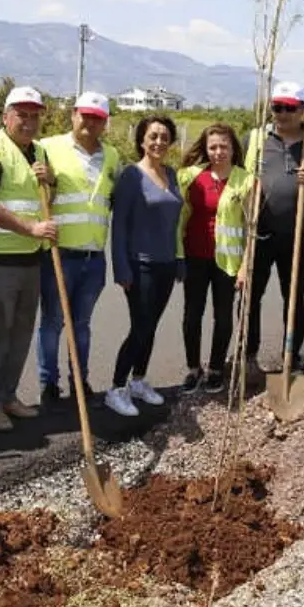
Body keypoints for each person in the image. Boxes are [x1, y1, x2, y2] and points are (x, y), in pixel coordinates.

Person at [0, 86, 58, 431]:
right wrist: (31, 229)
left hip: (29, 261)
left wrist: (51, 181)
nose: (29, 121)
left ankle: (8, 395)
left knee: (19, 334)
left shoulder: (39, 152)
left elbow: (47, 196)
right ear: (6, 116)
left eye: (35, 115)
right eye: (22, 114)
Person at [241, 81, 304, 382]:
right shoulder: (255, 138)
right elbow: (239, 179)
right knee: (249, 297)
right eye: (277, 107)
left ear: (302, 110)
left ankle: (290, 357)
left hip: (298, 233)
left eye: (289, 108)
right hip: (260, 232)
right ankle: (248, 355)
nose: (281, 113)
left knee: (292, 296)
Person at [37, 91, 119, 404]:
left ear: (105, 123)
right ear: (73, 114)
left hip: (93, 256)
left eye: (97, 118)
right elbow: (38, 196)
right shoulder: (47, 148)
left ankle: (79, 380)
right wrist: (50, 182)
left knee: (82, 325)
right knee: (53, 323)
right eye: (85, 115)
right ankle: (48, 384)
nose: (89, 122)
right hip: (59, 254)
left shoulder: (111, 156)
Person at [106, 115, 182, 416]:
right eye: (153, 136)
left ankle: (138, 381)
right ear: (142, 140)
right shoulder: (131, 176)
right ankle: (115, 388)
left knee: (151, 327)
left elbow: (174, 224)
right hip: (140, 266)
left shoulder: (172, 175)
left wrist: (178, 259)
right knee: (140, 327)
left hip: (165, 264)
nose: (159, 142)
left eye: (165, 137)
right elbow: (120, 226)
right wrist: (121, 268)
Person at [177, 123, 250, 395]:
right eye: (213, 147)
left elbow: (250, 229)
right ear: (206, 149)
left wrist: (244, 266)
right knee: (191, 315)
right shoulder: (190, 177)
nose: (218, 152)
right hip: (194, 256)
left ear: (233, 149)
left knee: (223, 316)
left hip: (228, 262)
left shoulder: (246, 180)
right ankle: (193, 368)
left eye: (224, 146)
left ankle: (216, 369)